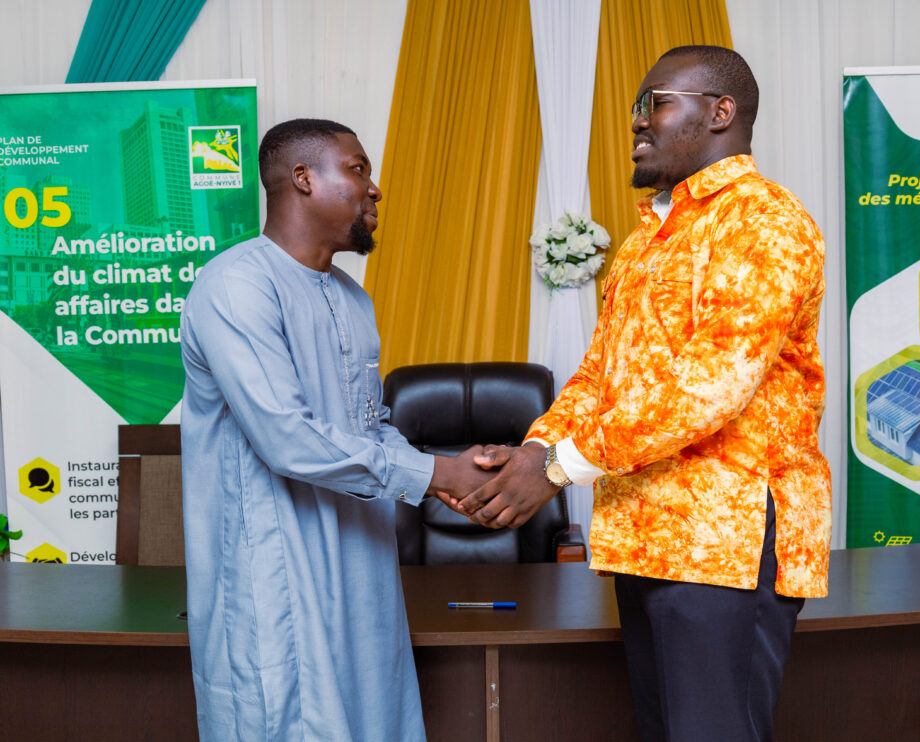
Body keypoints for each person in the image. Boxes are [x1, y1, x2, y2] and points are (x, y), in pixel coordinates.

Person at [457, 46, 831, 741]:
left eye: (655, 102)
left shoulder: (762, 222)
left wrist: (556, 468)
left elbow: (708, 389)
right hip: (645, 537)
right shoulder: (646, 240)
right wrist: (537, 448)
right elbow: (600, 374)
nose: (637, 121)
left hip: (724, 544)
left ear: (721, 112)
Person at [179, 118, 491, 741]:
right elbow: (287, 438)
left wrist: (455, 474)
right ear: (303, 179)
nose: (375, 188)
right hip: (277, 569)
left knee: (374, 719)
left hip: (362, 566)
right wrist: (438, 474)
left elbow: (367, 424)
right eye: (357, 169)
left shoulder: (351, 296)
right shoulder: (236, 287)